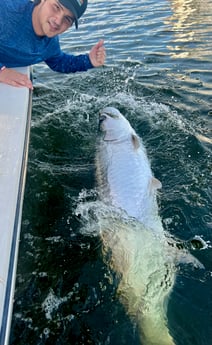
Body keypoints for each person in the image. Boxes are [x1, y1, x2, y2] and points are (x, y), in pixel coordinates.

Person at [0, 0, 106, 90]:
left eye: (67, 19)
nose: (58, 21)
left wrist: (89, 60)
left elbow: (59, 62)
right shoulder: (6, 10)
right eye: (56, 7)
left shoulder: (51, 43)